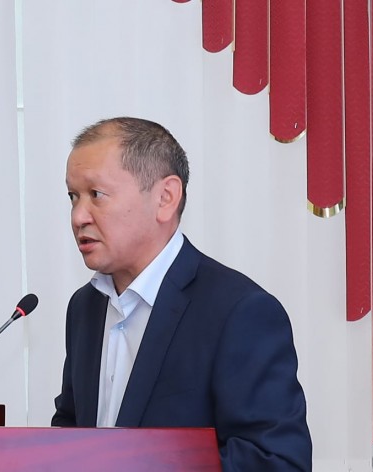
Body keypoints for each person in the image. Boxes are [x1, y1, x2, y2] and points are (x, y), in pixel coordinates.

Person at [51, 117, 312, 471]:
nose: (78, 216)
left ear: (165, 198)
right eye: (73, 196)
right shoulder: (85, 307)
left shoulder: (239, 312)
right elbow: (70, 429)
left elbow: (276, 462)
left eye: (96, 195)